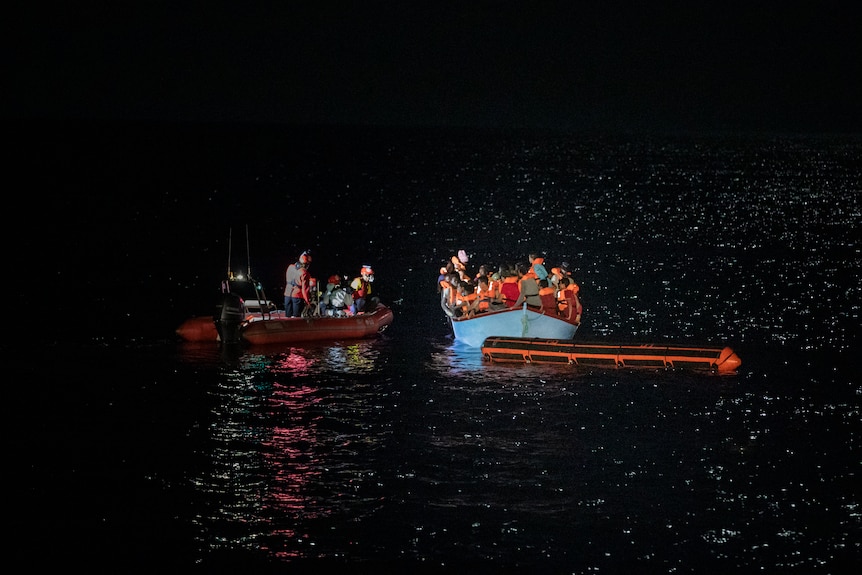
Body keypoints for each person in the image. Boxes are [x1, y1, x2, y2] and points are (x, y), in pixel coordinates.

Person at [284, 250, 312, 317]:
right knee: (296, 319)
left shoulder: (290, 267)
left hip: (287, 294)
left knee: (287, 317)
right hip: (297, 296)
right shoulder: (304, 273)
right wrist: (308, 302)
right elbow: (305, 290)